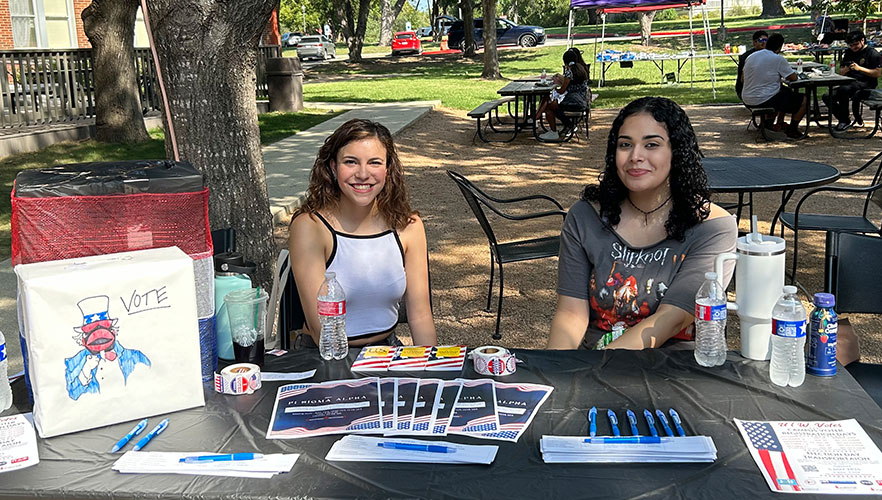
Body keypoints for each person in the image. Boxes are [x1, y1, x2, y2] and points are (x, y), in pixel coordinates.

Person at [546, 97, 737, 350]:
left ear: (676, 152)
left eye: (651, 145)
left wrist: (597, 367)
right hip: (593, 362)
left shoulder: (713, 227)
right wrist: (557, 370)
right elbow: (571, 313)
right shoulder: (585, 216)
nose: (635, 156)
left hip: (673, 372)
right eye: (625, 145)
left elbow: (672, 318)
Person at [288, 118, 437, 348]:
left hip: (386, 352)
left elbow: (420, 316)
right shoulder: (310, 226)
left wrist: (429, 372)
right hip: (325, 355)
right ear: (333, 167)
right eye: (351, 162)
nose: (363, 174)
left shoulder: (410, 226)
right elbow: (321, 330)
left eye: (374, 163)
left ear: (388, 169)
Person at [741, 33, 808, 139]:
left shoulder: (751, 56)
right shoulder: (777, 59)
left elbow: (743, 79)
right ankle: (793, 129)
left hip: (747, 98)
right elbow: (793, 78)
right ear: (780, 47)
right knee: (804, 99)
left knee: (782, 93)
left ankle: (768, 125)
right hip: (763, 99)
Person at [825, 30, 882, 131]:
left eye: (855, 44)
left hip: (866, 84)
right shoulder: (848, 52)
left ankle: (843, 121)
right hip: (849, 82)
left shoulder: (872, 53)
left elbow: (878, 73)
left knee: (844, 90)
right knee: (827, 96)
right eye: (851, 45)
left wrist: (859, 68)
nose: (853, 47)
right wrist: (846, 70)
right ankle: (844, 119)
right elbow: (841, 72)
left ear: (862, 40)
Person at [538, 47, 590, 142]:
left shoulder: (569, 72)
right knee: (553, 105)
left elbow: (562, 90)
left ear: (565, 62)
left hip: (573, 102)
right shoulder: (581, 69)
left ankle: (555, 131)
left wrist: (555, 88)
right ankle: (569, 125)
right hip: (583, 101)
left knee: (550, 107)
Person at [735, 30, 768, 99]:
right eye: (761, 40)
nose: (764, 42)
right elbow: (743, 79)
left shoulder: (768, 54)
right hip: (747, 90)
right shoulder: (747, 56)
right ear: (754, 42)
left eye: (766, 40)